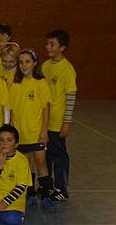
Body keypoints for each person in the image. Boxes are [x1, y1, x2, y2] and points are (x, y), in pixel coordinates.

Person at [9, 49, 54, 212]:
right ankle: (30, 195)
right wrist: (13, 129)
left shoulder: (41, 82)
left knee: (41, 163)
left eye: (27, 61)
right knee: (27, 165)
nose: (23, 65)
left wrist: (44, 131)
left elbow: (45, 108)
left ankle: (47, 195)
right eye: (21, 62)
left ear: (35, 63)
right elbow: (13, 109)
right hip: (22, 134)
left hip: (36, 133)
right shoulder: (16, 83)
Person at [42, 29, 77, 201]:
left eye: (52, 44)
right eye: (47, 43)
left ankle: (62, 188)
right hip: (44, 121)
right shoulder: (45, 66)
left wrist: (66, 122)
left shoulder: (67, 69)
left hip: (57, 122)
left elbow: (70, 96)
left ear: (62, 47)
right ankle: (47, 186)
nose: (48, 46)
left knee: (59, 156)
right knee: (45, 155)